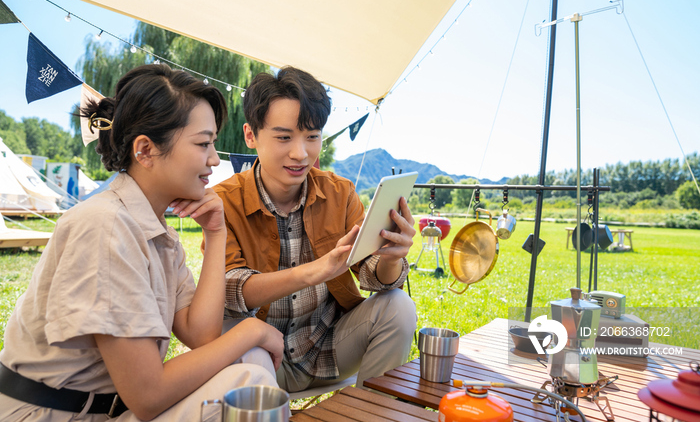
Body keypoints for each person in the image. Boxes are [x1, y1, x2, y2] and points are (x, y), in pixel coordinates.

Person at [0, 64, 283, 422]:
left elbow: (202, 334)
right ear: (146, 150)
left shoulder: (157, 231)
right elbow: (148, 396)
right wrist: (251, 329)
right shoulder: (105, 225)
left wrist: (216, 233)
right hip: (51, 415)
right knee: (250, 374)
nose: (214, 159)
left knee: (251, 361)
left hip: (108, 410)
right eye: (203, 144)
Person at [213, 66, 417, 392]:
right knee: (241, 338)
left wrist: (392, 256)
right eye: (284, 137)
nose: (300, 153)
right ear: (251, 135)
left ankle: (375, 413)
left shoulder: (341, 193)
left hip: (331, 346)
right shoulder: (223, 202)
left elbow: (372, 275)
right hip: (261, 355)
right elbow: (229, 292)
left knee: (398, 307)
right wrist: (316, 270)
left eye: (312, 136)